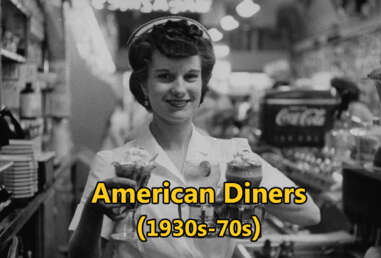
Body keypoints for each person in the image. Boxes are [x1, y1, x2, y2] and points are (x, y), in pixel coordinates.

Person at [68, 16, 320, 258]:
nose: (179, 89)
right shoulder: (114, 164)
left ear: (202, 84)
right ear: (144, 85)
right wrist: (93, 210)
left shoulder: (232, 157)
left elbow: (309, 213)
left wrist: (246, 193)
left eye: (190, 76)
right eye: (165, 76)